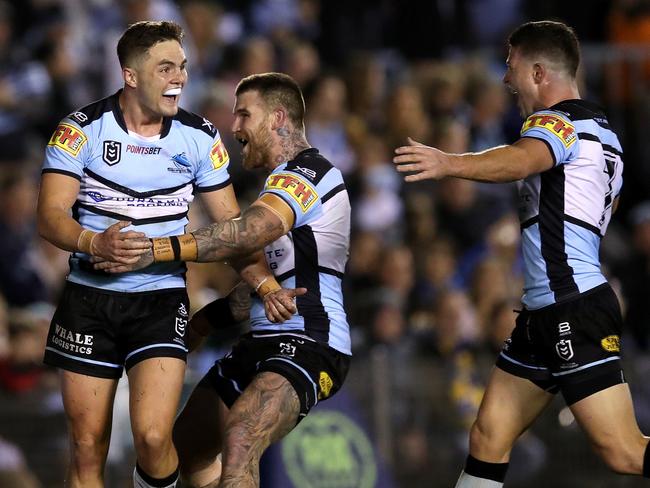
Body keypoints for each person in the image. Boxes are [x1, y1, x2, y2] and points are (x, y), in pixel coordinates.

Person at [393, 20, 650, 487]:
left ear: (537, 73)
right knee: (489, 436)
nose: (505, 80)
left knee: (625, 452)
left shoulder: (558, 122)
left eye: (510, 67)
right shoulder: (604, 130)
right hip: (543, 312)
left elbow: (522, 159)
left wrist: (448, 162)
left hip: (571, 306)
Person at [37, 21, 290, 488]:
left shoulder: (199, 137)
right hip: (88, 301)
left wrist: (265, 284)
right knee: (87, 446)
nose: (180, 78)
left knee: (154, 438)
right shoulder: (80, 130)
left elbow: (231, 229)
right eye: (166, 67)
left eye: (184, 67)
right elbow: (50, 215)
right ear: (131, 76)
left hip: (160, 298)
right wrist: (95, 242)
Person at [95, 72, 353, 488]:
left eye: (244, 115)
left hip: (310, 343)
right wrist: (199, 326)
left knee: (241, 434)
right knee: (184, 451)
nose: (234, 128)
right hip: (262, 342)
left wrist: (158, 248)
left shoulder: (313, 172)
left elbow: (245, 234)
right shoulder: (277, 185)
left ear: (278, 118)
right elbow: (254, 291)